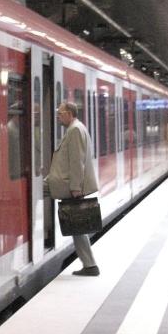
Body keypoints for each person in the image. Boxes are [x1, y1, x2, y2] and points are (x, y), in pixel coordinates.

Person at [46, 102, 100, 276]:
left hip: (68, 184)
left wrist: (76, 187)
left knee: (32, 191)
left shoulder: (75, 130)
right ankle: (90, 265)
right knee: (77, 226)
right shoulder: (76, 128)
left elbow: (77, 161)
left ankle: (91, 265)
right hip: (67, 182)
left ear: (69, 113)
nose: (58, 117)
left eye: (60, 113)